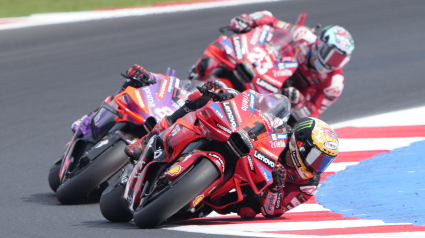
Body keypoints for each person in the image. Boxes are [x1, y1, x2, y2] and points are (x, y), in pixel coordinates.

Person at [195, 11, 354, 124]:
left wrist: (298, 102)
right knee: (223, 51)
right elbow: (272, 21)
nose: (332, 62)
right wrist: (249, 20)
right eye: (331, 54)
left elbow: (313, 115)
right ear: (320, 43)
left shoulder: (335, 84)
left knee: (288, 134)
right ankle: (195, 78)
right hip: (266, 72)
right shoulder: (303, 35)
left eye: (339, 59)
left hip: (281, 101)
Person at [227, 117, 340, 219]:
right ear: (301, 145)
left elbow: (272, 212)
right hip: (246, 155)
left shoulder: (308, 185)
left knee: (248, 209)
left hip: (254, 187)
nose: (317, 165)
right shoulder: (282, 131)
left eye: (324, 162)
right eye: (315, 157)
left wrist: (276, 187)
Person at [70, 65, 161, 133]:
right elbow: (160, 80)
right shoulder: (172, 82)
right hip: (146, 113)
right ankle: (89, 121)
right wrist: (146, 76)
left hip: (160, 132)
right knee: (132, 84)